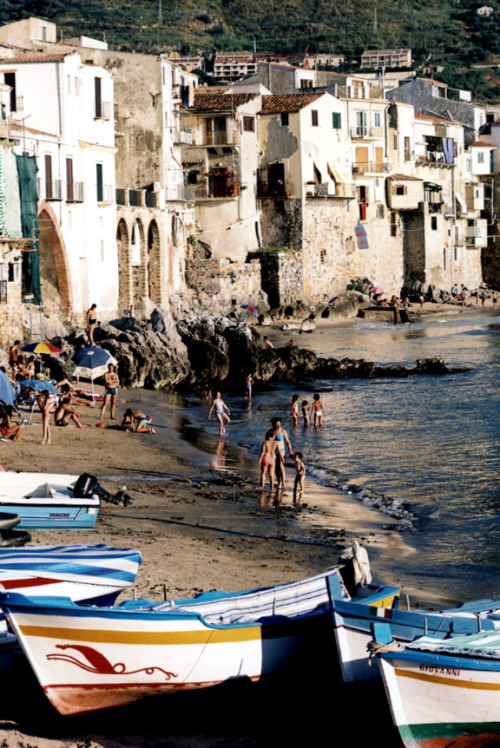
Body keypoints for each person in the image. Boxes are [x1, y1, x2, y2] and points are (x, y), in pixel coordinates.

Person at [266, 417, 293, 489]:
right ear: (273, 424)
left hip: (281, 452)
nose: (278, 425)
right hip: (273, 452)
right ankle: (279, 482)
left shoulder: (283, 431)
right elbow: (266, 441)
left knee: (281, 467)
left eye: (279, 424)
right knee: (276, 468)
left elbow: (287, 442)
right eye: (277, 424)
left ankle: (283, 483)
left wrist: (290, 451)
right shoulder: (270, 431)